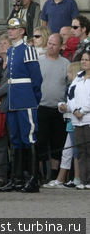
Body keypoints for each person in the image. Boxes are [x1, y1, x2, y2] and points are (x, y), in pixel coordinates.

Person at [0, 16, 43, 193]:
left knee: (29, 137)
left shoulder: (28, 50)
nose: (10, 31)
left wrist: (34, 99)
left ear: (22, 31)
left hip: (25, 99)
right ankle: (17, 178)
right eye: (9, 28)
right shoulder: (10, 51)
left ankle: (32, 179)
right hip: (13, 99)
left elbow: (36, 78)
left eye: (14, 28)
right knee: (15, 139)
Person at [36, 32, 70, 185]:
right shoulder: (39, 61)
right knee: (41, 141)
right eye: (49, 43)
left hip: (58, 109)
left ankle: (55, 175)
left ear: (61, 47)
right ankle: (41, 173)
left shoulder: (66, 64)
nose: (50, 46)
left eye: (54, 44)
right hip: (41, 106)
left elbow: (69, 85)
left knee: (58, 141)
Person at [61, 52, 90, 189]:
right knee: (81, 151)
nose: (84, 62)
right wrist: (74, 110)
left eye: (87, 60)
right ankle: (84, 180)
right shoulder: (78, 77)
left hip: (88, 118)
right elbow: (70, 96)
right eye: (83, 60)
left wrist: (83, 111)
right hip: (77, 120)